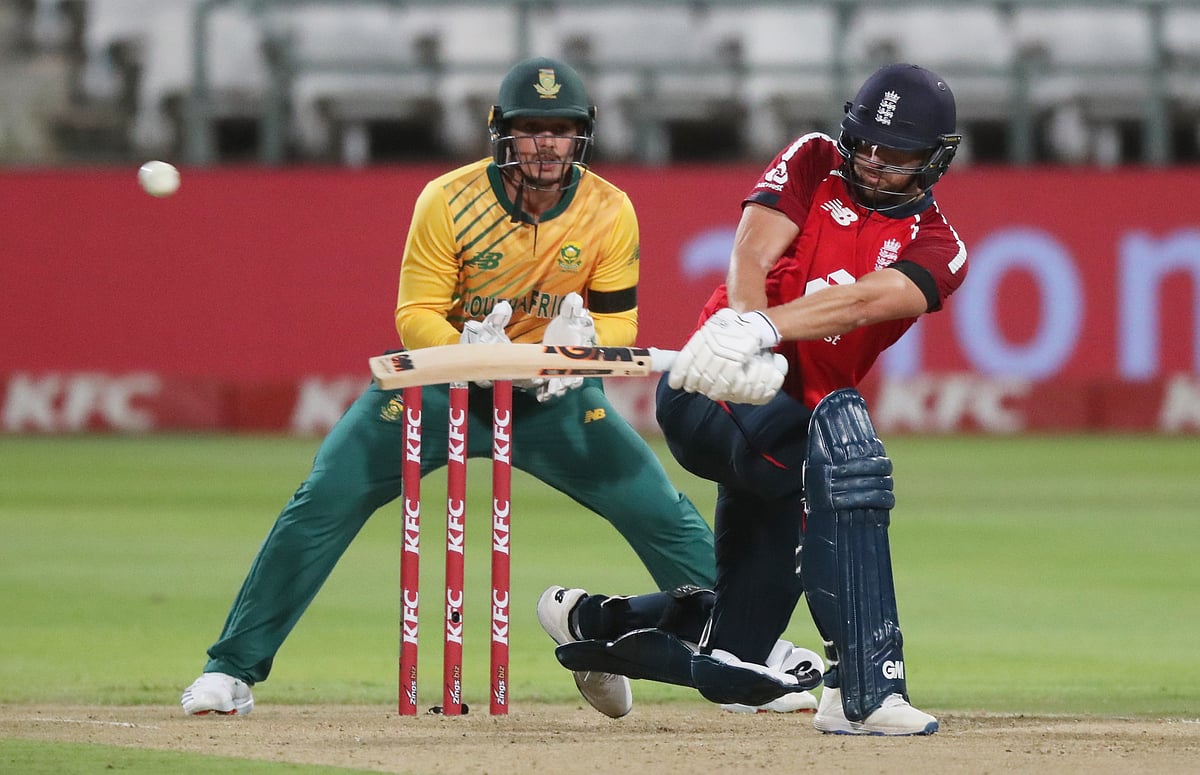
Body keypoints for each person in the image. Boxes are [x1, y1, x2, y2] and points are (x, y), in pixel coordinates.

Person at [180, 56, 718, 721]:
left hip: (551, 399)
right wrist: (469, 349)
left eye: (560, 129)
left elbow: (617, 323)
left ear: (581, 135)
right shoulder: (448, 198)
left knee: (660, 510)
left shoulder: (610, 209)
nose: (546, 144)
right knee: (322, 499)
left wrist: (580, 353)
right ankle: (229, 669)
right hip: (440, 390)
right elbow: (414, 313)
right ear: (503, 134)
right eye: (531, 129)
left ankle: (743, 652)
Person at [538, 62, 967, 735]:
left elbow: (860, 301)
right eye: (868, 145)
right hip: (714, 388)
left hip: (788, 432)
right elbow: (752, 252)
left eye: (898, 155)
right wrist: (745, 329)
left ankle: (595, 620)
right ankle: (859, 686)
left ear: (936, 161)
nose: (875, 164)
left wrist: (768, 328)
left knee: (733, 652)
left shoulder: (942, 248)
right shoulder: (815, 158)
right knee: (846, 465)